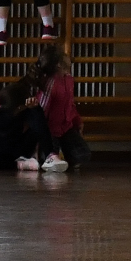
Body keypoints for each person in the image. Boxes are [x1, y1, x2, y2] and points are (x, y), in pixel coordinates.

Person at [31, 43, 90, 171]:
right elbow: (42, 109)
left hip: (66, 128)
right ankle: (43, 156)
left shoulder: (69, 79)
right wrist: (40, 138)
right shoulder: (50, 84)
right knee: (47, 156)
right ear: (59, 64)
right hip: (51, 130)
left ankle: (65, 156)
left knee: (83, 154)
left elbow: (70, 104)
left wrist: (77, 121)